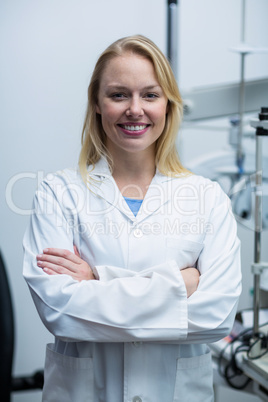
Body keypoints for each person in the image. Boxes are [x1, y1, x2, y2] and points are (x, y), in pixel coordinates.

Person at [23, 35, 242, 402]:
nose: (135, 109)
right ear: (97, 102)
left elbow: (216, 317)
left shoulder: (207, 198)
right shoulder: (58, 193)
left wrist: (96, 279)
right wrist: (180, 285)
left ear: (169, 104)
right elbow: (60, 312)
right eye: (119, 94)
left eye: (150, 95)